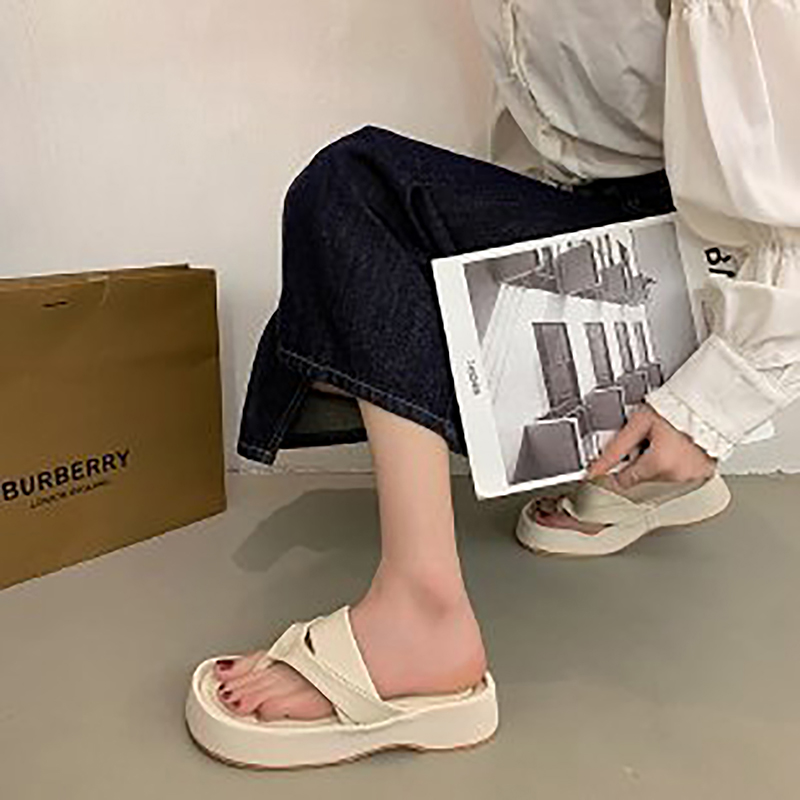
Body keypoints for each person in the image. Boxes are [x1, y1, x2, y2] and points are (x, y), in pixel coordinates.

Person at [185, 1, 800, 768]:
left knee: (353, 190)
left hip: (702, 264)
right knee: (360, 287)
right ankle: (630, 477)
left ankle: (423, 615)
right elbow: (557, 150)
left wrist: (711, 406)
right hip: (626, 231)